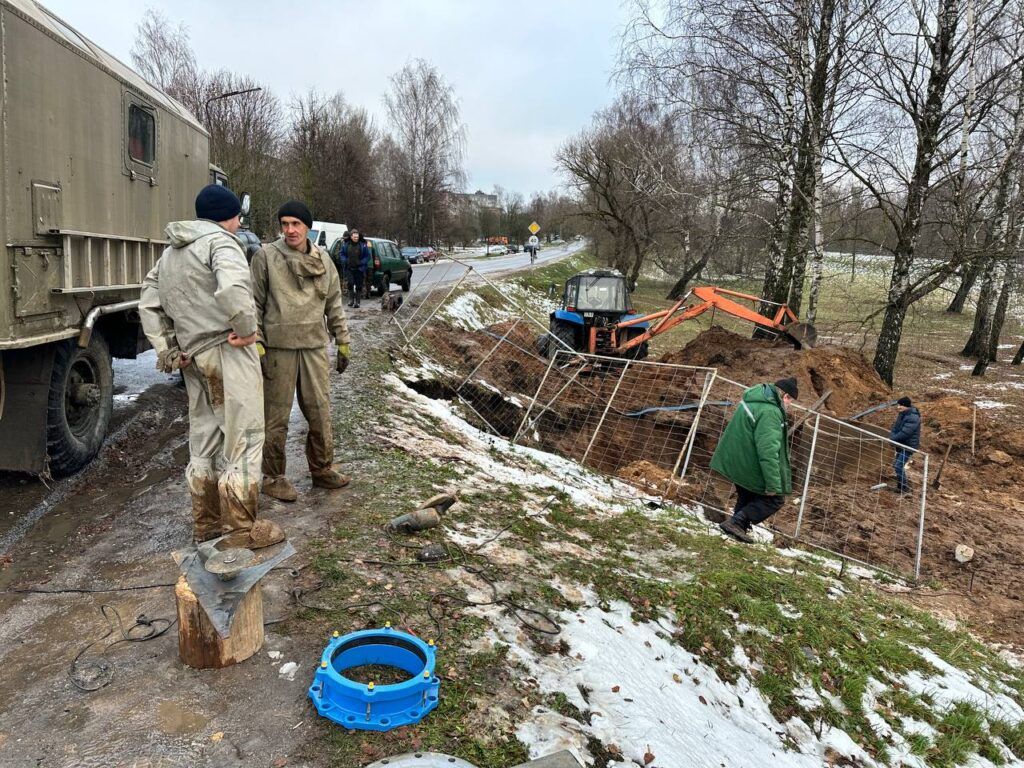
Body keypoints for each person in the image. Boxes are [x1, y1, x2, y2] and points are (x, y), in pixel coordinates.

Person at [139, 184, 285, 548]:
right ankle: (240, 531)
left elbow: (148, 302)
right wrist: (247, 331)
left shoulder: (170, 254)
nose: (238, 224)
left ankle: (206, 525)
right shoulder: (221, 243)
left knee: (203, 440)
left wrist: (170, 349)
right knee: (245, 438)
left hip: (193, 358)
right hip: (227, 352)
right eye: (238, 217)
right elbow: (234, 289)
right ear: (231, 216)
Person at [251, 200, 352, 502]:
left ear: (307, 226)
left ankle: (321, 468)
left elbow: (334, 303)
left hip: (313, 346)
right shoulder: (266, 256)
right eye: (285, 224)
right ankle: (273, 476)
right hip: (278, 349)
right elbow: (253, 302)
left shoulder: (323, 260)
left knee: (320, 411)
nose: (290, 230)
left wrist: (343, 339)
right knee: (276, 416)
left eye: (296, 223)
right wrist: (256, 340)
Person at [710, 377, 798, 544]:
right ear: (785, 396)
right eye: (790, 400)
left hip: (735, 458)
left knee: (747, 494)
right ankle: (737, 522)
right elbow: (768, 451)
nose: (790, 404)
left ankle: (737, 527)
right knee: (775, 499)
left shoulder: (755, 399)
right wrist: (773, 484)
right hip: (747, 462)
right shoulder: (771, 412)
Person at [889, 396, 921, 494]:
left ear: (906, 406)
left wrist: (892, 439)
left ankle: (905, 488)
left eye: (900, 405)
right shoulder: (902, 414)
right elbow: (895, 428)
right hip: (901, 444)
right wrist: (892, 437)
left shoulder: (913, 417)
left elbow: (905, 433)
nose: (898, 407)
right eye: (898, 405)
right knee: (896, 465)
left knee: (898, 466)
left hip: (908, 446)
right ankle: (900, 486)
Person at [339, 228, 370, 308]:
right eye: (355, 237)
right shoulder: (346, 244)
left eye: (357, 237)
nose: (356, 238)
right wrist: (345, 260)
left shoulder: (363, 245)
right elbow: (341, 254)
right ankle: (351, 300)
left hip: (359, 269)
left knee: (359, 285)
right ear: (351, 237)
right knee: (350, 283)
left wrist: (362, 262)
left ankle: (358, 302)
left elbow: (367, 256)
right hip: (349, 268)